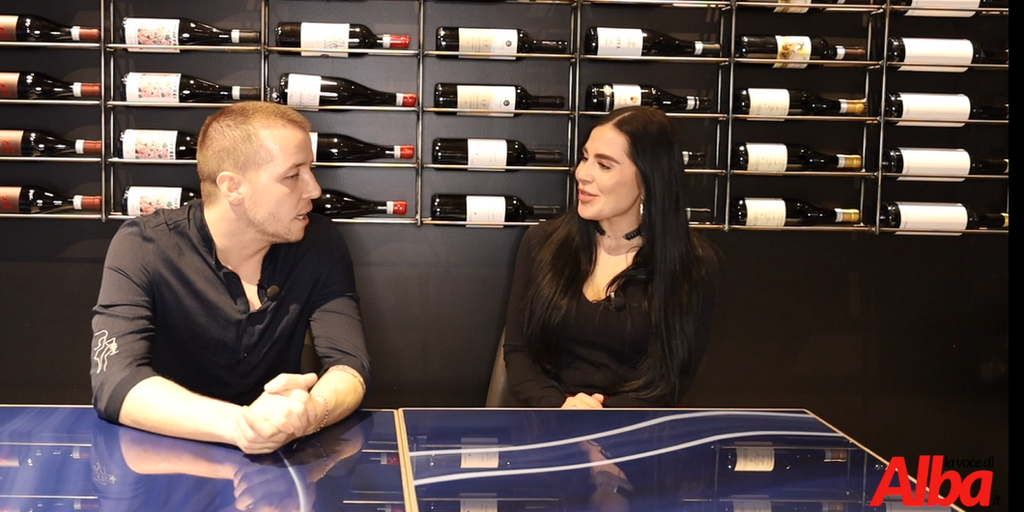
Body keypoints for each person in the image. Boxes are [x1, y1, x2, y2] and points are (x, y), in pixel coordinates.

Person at [90, 101, 370, 454]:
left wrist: (311, 413)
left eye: (310, 170)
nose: (314, 189)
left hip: (276, 463)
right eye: (293, 175)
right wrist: (241, 425)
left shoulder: (319, 242)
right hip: (164, 459)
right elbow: (115, 380)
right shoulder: (144, 246)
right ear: (232, 187)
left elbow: (349, 365)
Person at [503, 106, 718, 408]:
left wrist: (602, 415)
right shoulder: (543, 243)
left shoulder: (691, 264)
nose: (582, 173)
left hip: (635, 427)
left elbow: (673, 378)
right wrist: (559, 407)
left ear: (648, 181)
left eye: (604, 165)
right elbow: (518, 351)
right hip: (550, 417)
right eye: (585, 157)